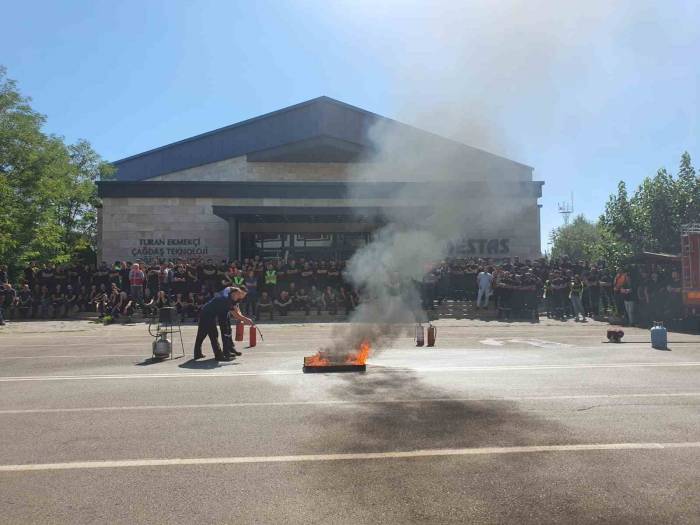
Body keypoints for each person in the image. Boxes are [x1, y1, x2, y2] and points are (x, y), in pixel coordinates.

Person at [193, 285, 252, 361]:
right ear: (234, 293)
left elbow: (237, 310)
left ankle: (197, 353)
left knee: (202, 334)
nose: (240, 297)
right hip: (206, 314)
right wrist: (247, 320)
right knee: (213, 334)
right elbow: (236, 315)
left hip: (210, 314)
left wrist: (245, 319)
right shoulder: (227, 299)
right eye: (239, 294)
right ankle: (218, 356)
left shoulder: (233, 298)